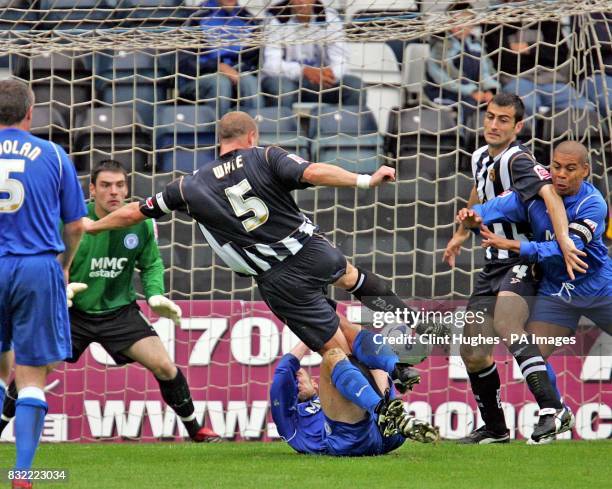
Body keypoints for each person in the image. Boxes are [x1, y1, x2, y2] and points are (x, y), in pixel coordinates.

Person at [83, 111, 433, 433]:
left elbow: (133, 213)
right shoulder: (266, 155)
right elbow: (312, 172)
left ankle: (385, 409)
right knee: (353, 279)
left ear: (219, 140)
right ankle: (407, 338)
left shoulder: (188, 187)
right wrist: (363, 180)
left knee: (335, 349)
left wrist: (93, 228)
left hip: (278, 280)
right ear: (251, 136)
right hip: (309, 249)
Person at [0, 160, 220, 444]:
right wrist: (57, 290)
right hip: (70, 311)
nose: (113, 192)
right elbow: (43, 260)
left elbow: (151, 263)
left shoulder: (139, 223)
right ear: (92, 189)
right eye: (105, 185)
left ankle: (196, 430)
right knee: (34, 367)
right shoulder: (70, 221)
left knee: (165, 366)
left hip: (119, 312)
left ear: (127, 189)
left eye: (119, 185)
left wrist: (155, 294)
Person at [442, 92, 586, 444]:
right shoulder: (479, 156)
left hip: (523, 260)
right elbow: (479, 193)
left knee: (507, 321)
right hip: (492, 265)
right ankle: (494, 428)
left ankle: (554, 409)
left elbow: (550, 194)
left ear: (517, 126)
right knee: (473, 352)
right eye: (490, 117)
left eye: (503, 120)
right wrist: (460, 234)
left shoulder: (518, 160)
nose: (493, 124)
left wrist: (564, 240)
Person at [458, 140, 612, 443]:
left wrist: (514, 246)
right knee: (533, 355)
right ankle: (554, 413)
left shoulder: (593, 203)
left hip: (599, 289)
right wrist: (473, 217)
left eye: (570, 169)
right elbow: (496, 207)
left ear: (585, 170)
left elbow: (567, 249)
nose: (561, 175)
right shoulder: (532, 197)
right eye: (556, 167)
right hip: (558, 293)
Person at [0, 79, 87, 489]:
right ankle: (22, 474)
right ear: (30, 113)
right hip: (37, 266)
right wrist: (66, 265)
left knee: (2, 371)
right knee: (32, 375)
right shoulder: (53, 154)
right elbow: (74, 224)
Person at [271, 334, 437, 457]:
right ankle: (385, 409)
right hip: (348, 440)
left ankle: (394, 373)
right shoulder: (290, 420)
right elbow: (283, 372)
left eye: (298, 376)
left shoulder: (329, 394)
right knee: (332, 356)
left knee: (360, 350)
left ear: (315, 383)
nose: (294, 383)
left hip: (384, 434)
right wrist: (307, 334)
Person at [483, 6, 594, 119]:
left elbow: (559, 55)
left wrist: (529, 48)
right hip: (516, 79)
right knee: (525, 107)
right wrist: (541, 52)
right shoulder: (495, 18)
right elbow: (505, 62)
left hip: (551, 80)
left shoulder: (546, 15)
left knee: (584, 108)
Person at [261, 0, 363, 108]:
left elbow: (341, 60)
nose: (301, 1)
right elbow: (271, 66)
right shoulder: (276, 19)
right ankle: (285, 125)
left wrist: (329, 73)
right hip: (289, 81)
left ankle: (349, 124)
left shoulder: (330, 18)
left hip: (322, 82)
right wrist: (303, 70)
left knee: (355, 86)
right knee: (282, 89)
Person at [179, 0, 263, 116]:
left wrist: (236, 70)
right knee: (220, 83)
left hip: (237, 74)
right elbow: (186, 63)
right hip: (198, 79)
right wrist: (217, 66)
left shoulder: (248, 19)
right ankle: (220, 131)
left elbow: (252, 61)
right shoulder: (196, 18)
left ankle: (256, 129)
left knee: (250, 82)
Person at [425, 2, 499, 121]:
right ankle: (463, 137)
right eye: (455, 21)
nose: (460, 26)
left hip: (475, 91)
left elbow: (485, 71)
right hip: (444, 92)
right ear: (448, 22)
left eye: (465, 22)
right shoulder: (440, 45)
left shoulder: (476, 44)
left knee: (496, 103)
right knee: (469, 104)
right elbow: (442, 78)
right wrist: (471, 91)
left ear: (473, 24)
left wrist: (489, 90)